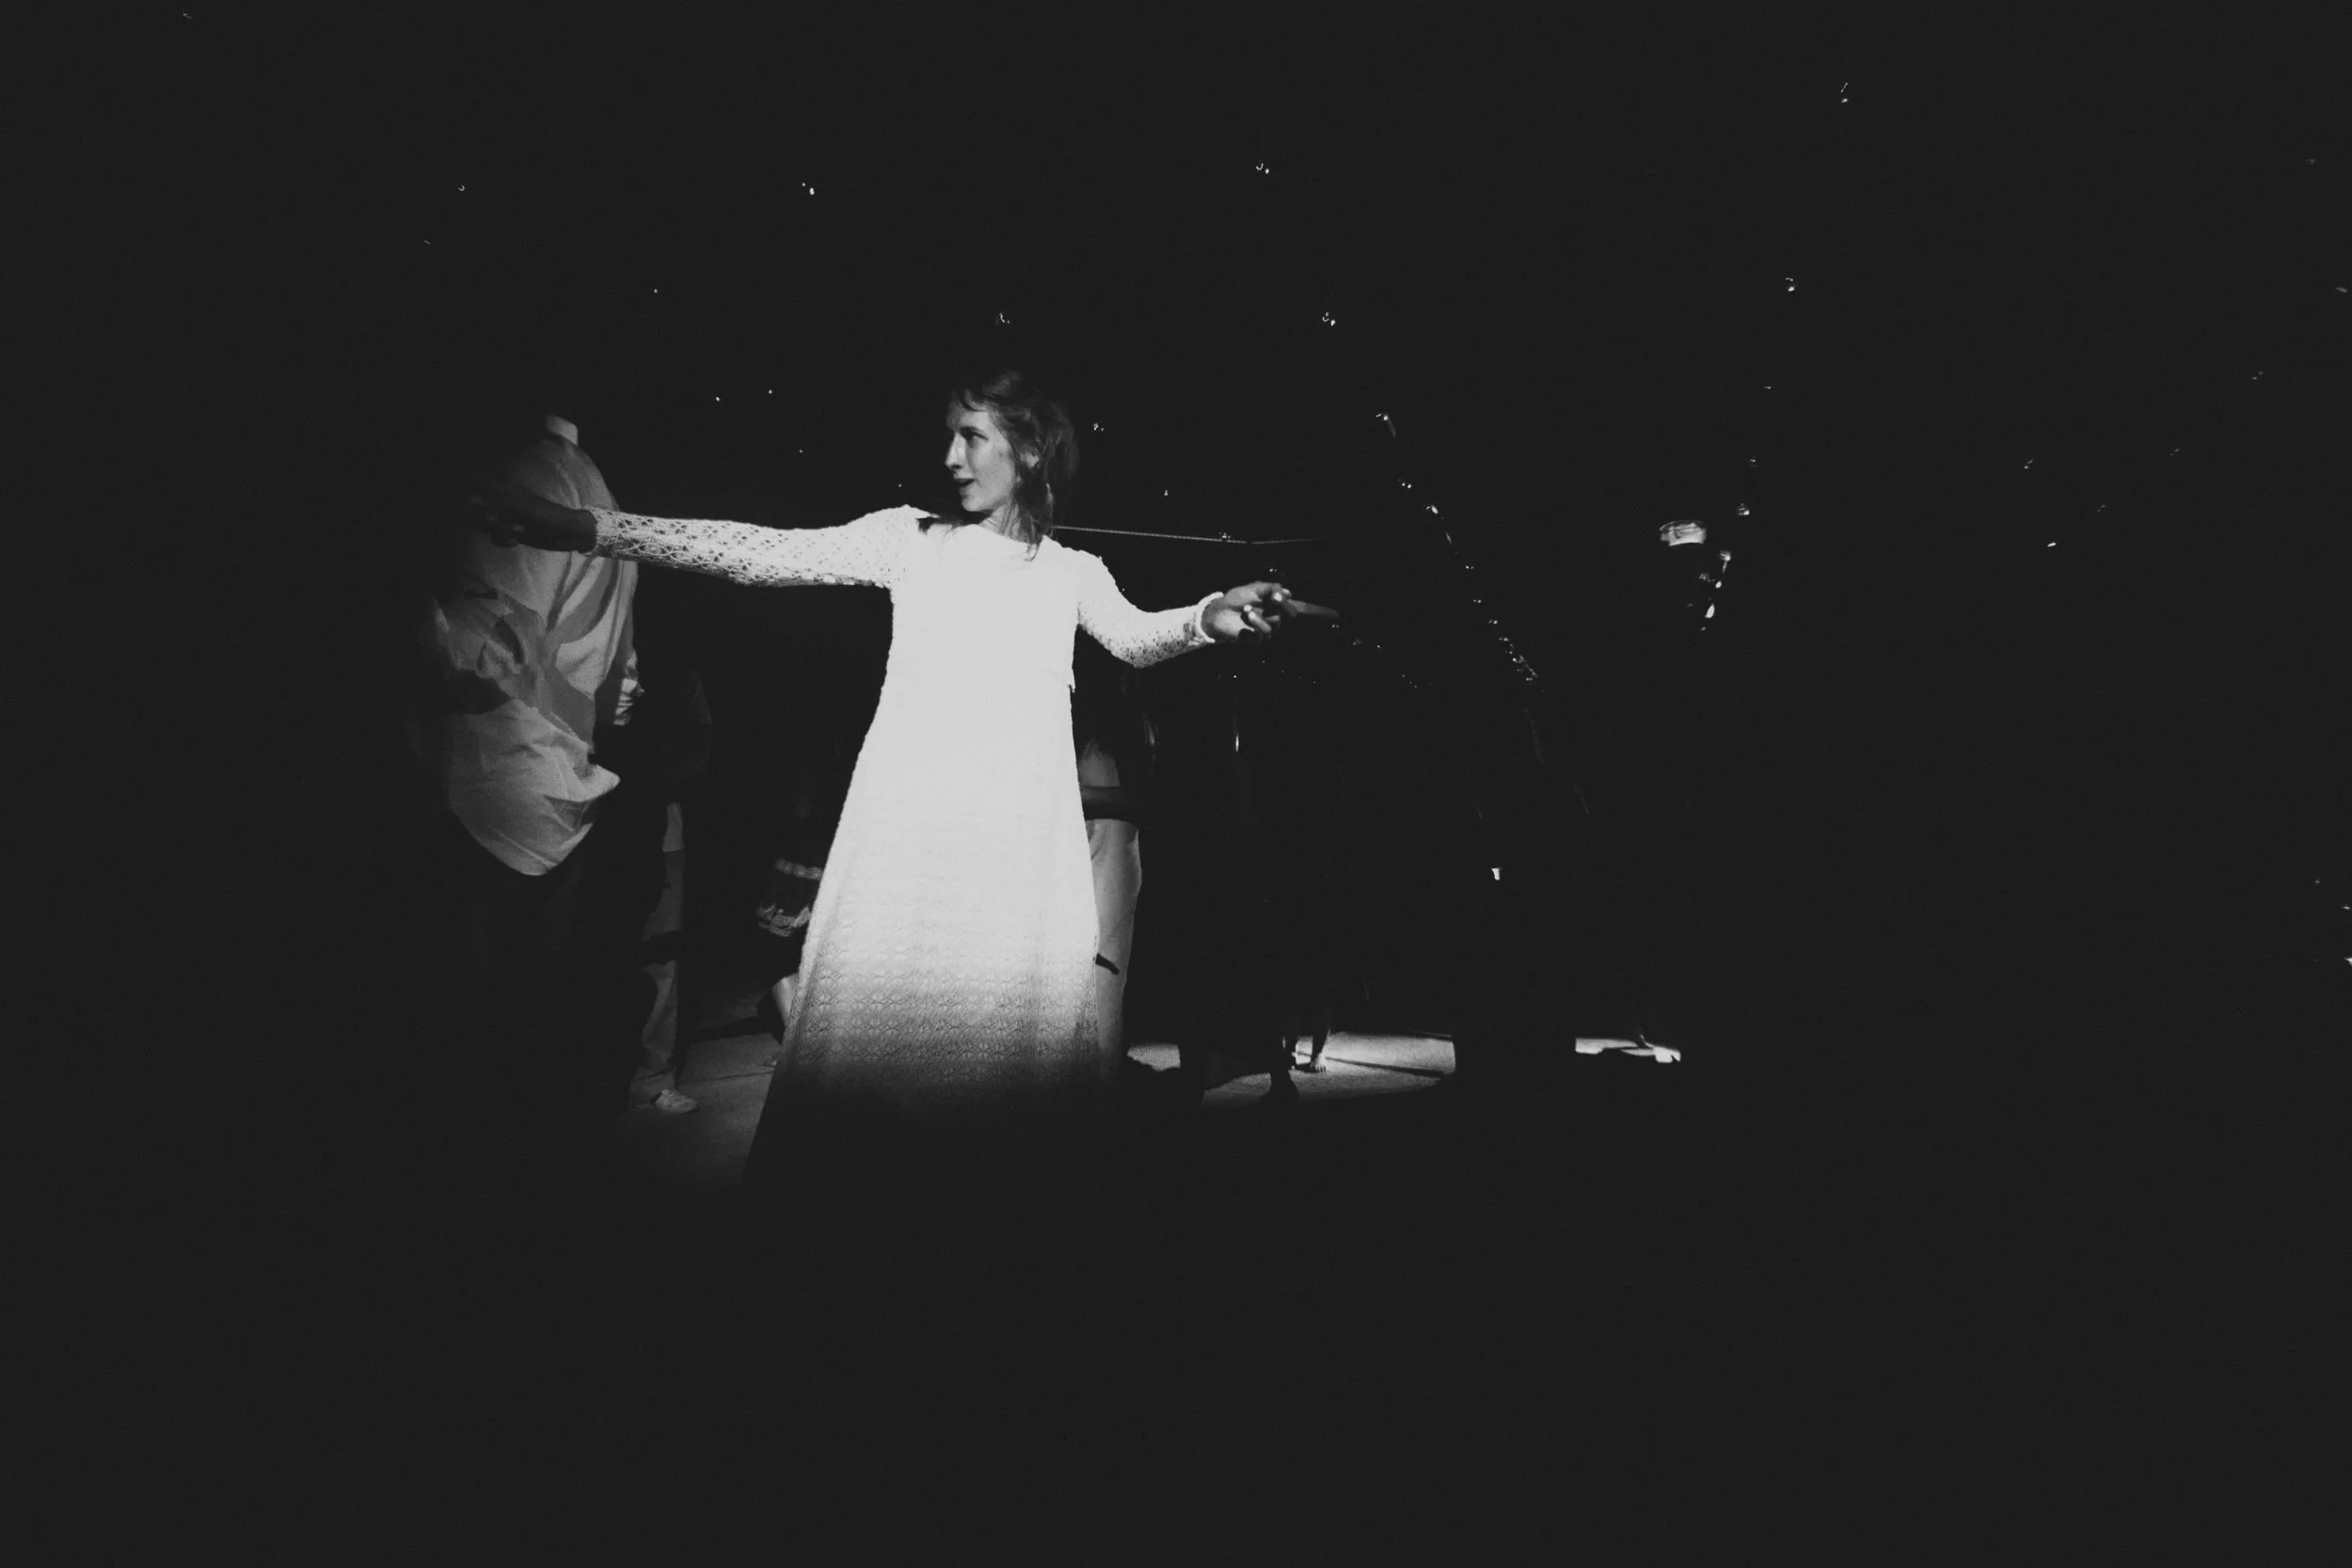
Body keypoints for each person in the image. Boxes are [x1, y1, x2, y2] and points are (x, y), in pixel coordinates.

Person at [473, 367, 1331, 1291]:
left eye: (972, 436)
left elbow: (1138, 635)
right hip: (905, 847)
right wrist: (596, 531)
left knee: (999, 1080)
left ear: (1031, 449)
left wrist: (1208, 615)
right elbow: (758, 551)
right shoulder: (909, 540)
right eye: (950, 436)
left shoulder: (1074, 575)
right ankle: (854, 1272)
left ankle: (990, 1267)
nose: (948, 456)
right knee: (875, 1067)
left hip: (1011, 854)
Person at [432, 406, 649, 1179]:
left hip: (491, 787)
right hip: (560, 788)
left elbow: (489, 649)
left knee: (478, 1054)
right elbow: (623, 685)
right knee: (526, 1040)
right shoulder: (595, 488)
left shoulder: (525, 479)